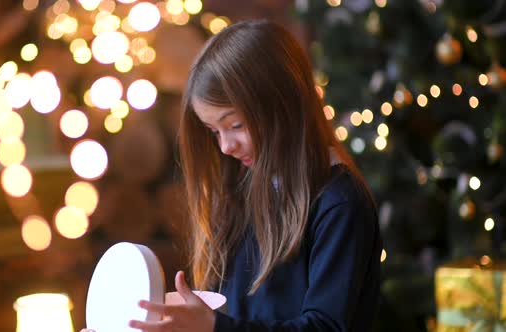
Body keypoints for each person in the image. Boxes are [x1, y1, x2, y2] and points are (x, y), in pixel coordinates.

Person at [86, 19, 382, 332]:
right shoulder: (241, 189)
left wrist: (215, 328)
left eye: (236, 125)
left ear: (283, 106)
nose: (226, 146)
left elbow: (326, 327)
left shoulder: (339, 203)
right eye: (214, 131)